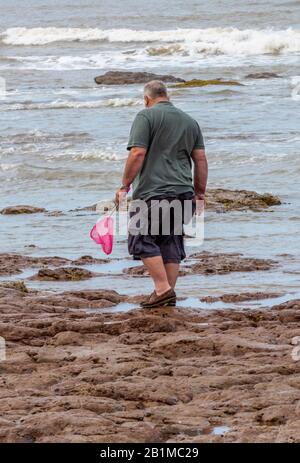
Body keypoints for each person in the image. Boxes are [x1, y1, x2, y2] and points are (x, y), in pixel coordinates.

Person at [115, 80, 208, 308]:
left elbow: (137, 153)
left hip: (153, 192)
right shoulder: (190, 121)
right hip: (183, 192)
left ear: (146, 99)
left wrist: (124, 185)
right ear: (167, 95)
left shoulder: (145, 117)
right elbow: (201, 159)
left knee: (140, 239)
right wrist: (200, 194)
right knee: (170, 242)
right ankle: (166, 295)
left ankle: (163, 289)